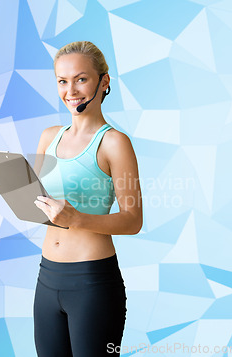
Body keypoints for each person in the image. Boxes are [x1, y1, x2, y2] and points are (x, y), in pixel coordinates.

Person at [32, 41, 143, 357]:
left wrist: (77, 219)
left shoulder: (114, 143)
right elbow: (40, 203)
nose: (71, 90)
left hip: (92, 283)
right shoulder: (47, 137)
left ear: (103, 82)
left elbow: (133, 220)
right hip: (47, 279)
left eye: (81, 79)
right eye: (62, 81)